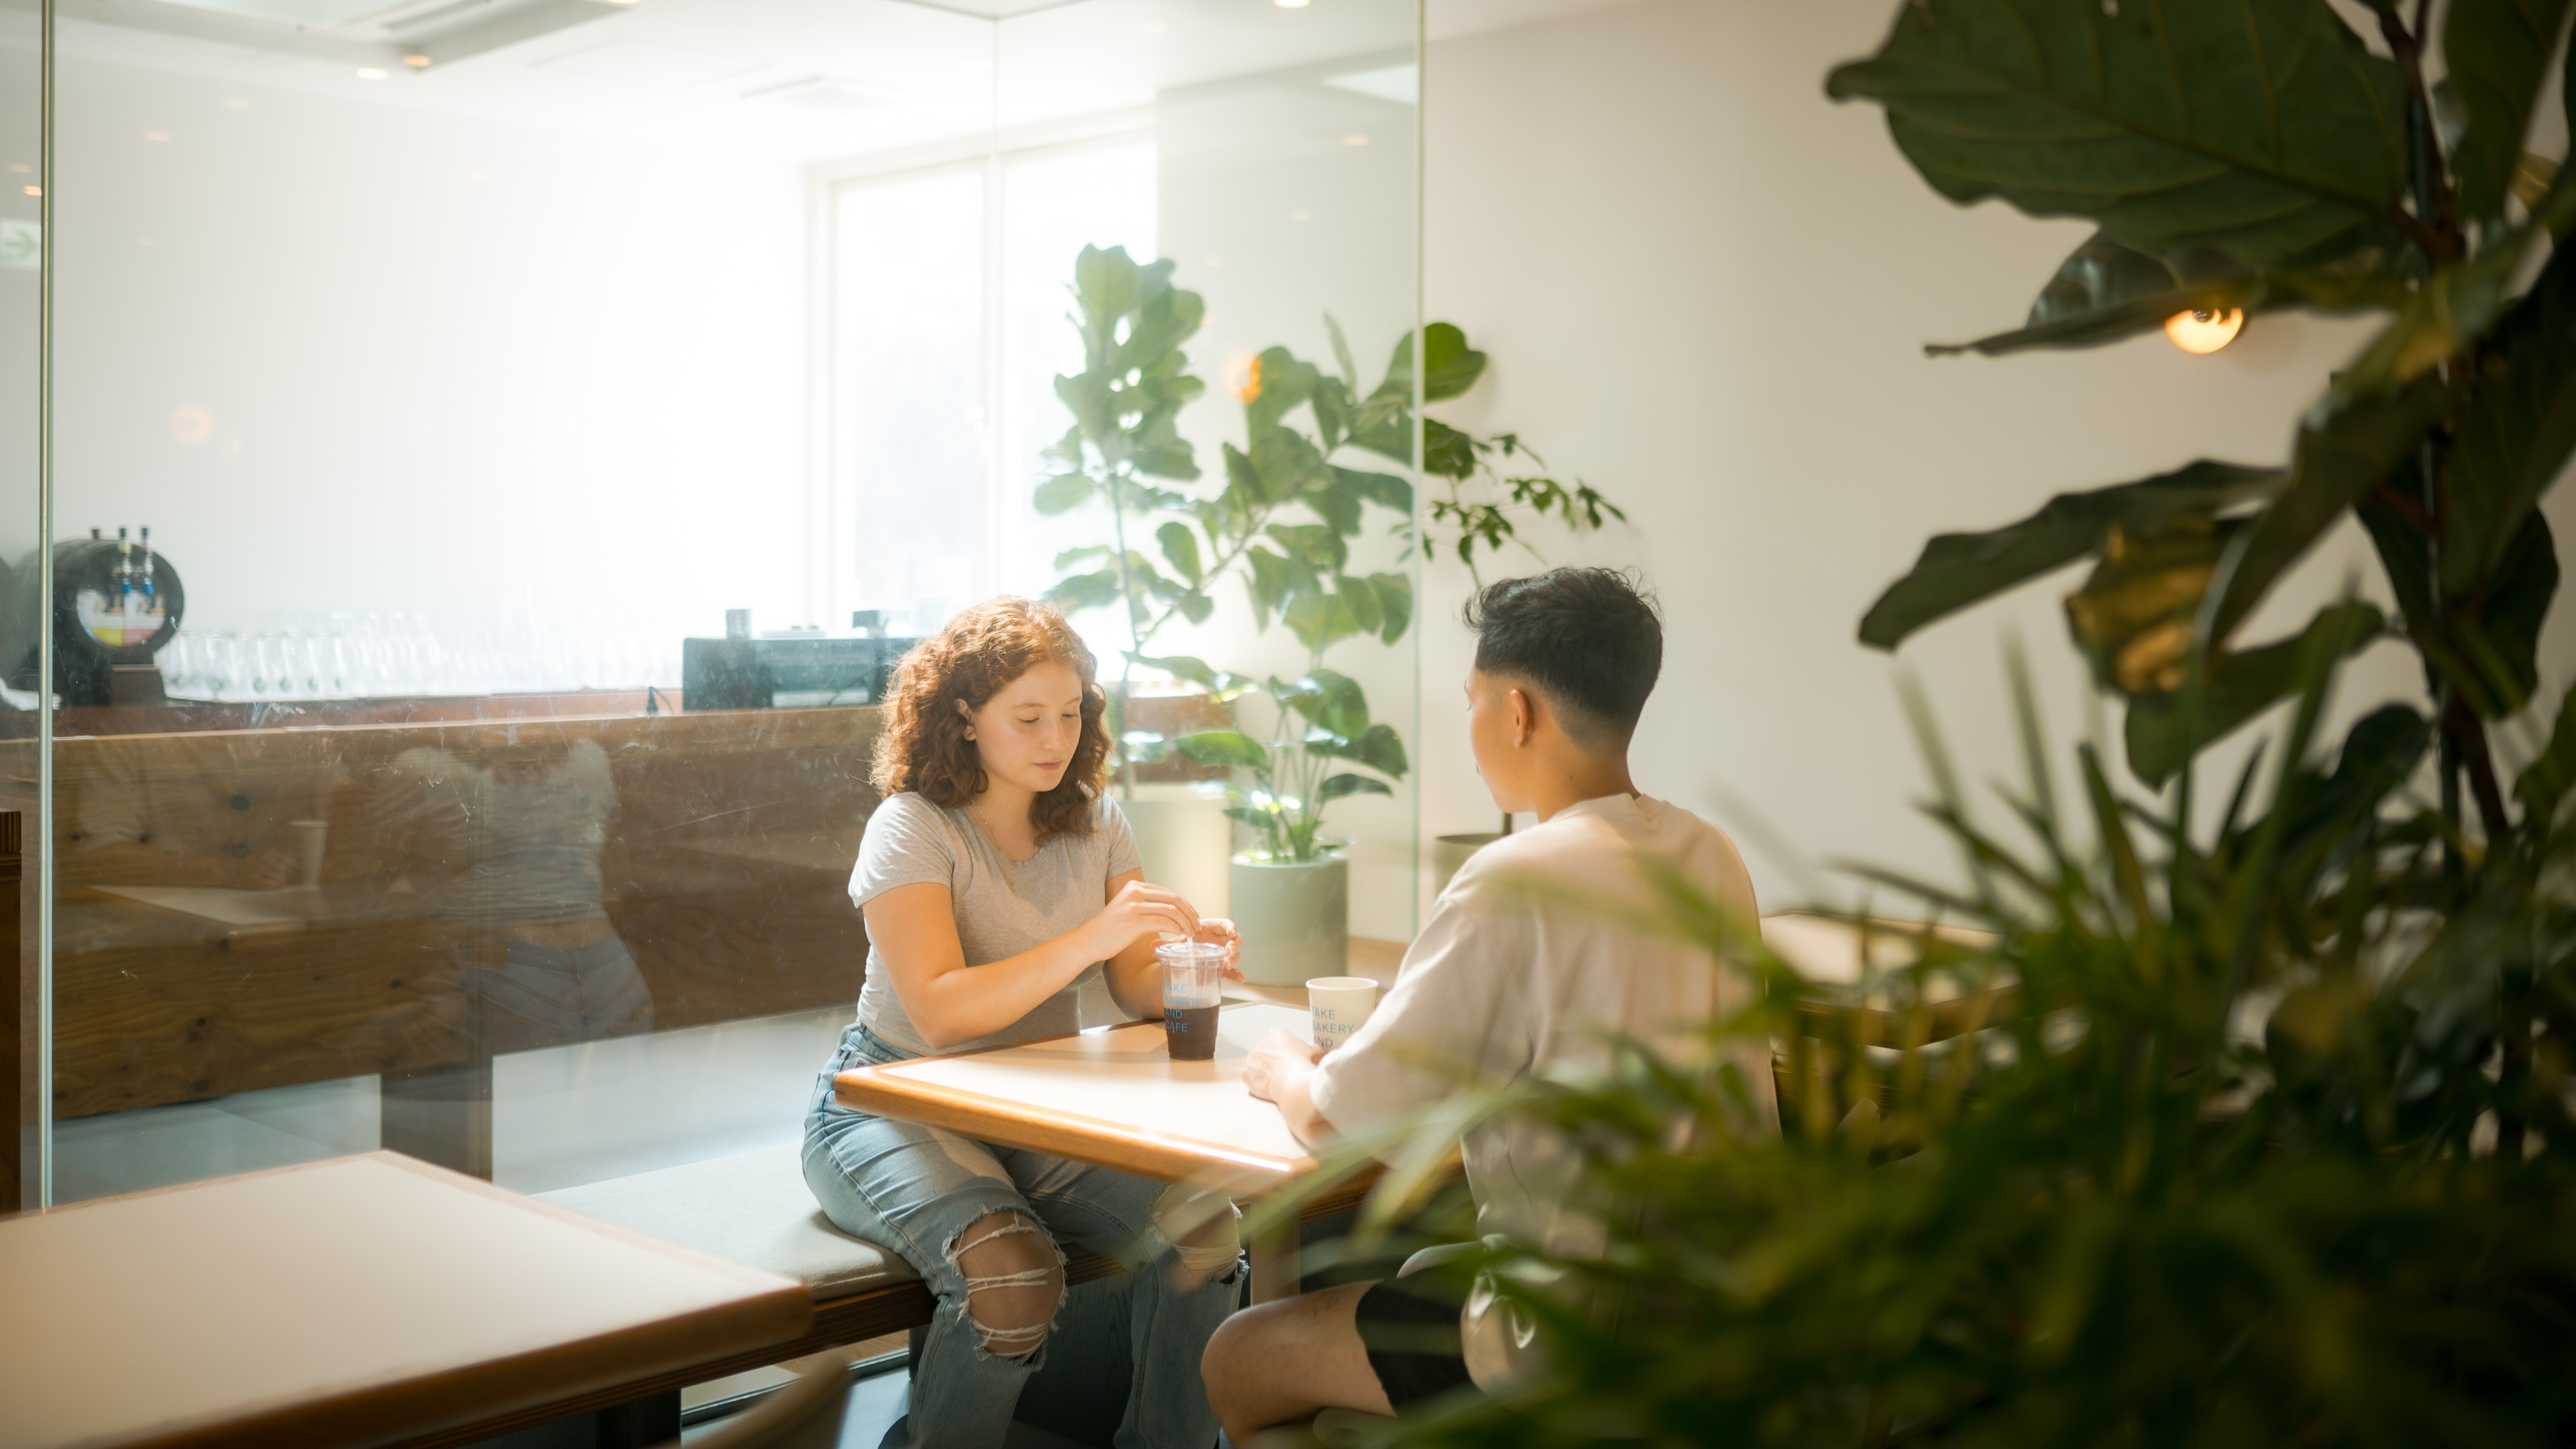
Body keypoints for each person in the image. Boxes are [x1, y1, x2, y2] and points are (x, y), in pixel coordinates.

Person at [1204, 567, 1780, 1439]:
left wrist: (1286, 1067)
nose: (1470, 726)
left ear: (1517, 712)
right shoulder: (1711, 852)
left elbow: (1334, 1122)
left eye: (1472, 699)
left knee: (1238, 1357)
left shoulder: (1516, 876)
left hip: (1562, 1332)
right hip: (1720, 1311)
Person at [801, 596, 1246, 1449]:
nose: (1056, 739)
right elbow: (938, 1010)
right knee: (1012, 1278)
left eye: (1073, 714)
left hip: (1033, 1101)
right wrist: (1092, 933)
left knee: (1207, 1224)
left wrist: (1195, 964)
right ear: (964, 719)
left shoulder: (1098, 820)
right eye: (1030, 717)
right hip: (890, 1097)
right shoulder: (912, 827)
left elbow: (1131, 984)